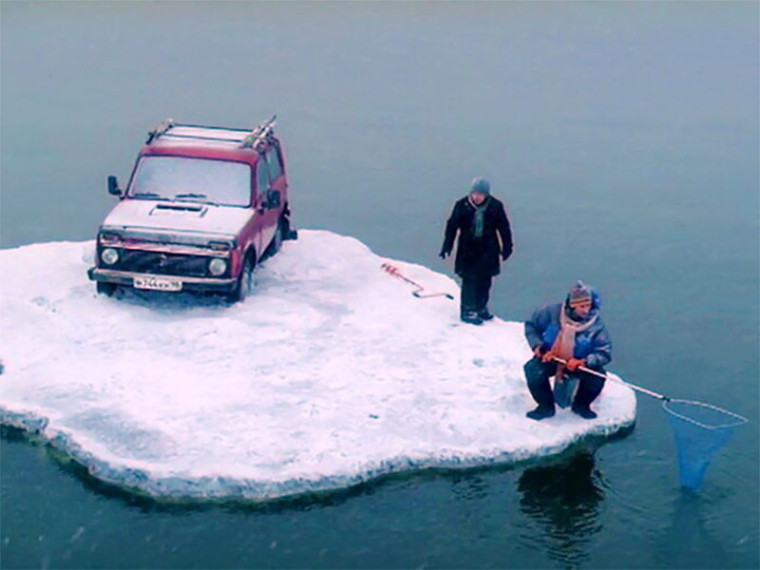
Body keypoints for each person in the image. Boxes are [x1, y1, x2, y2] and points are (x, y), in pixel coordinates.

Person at [523, 281, 611, 420]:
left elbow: (604, 352)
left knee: (598, 376)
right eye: (582, 306)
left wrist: (585, 361)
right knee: (532, 370)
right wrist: (538, 347)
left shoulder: (596, 326)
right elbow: (531, 326)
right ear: (572, 305)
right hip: (551, 357)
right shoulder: (551, 313)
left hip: (578, 363)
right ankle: (545, 407)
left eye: (588, 305)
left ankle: (581, 406)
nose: (586, 310)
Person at [439, 177, 513, 325]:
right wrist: (447, 246)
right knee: (469, 280)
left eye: (480, 194)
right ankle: (468, 310)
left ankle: (481, 307)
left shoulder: (495, 206)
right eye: (474, 193)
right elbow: (452, 227)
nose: (476, 197)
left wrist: (507, 247)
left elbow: (504, 227)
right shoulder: (462, 205)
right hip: (468, 249)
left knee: (485, 281)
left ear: (486, 194)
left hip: (488, 248)